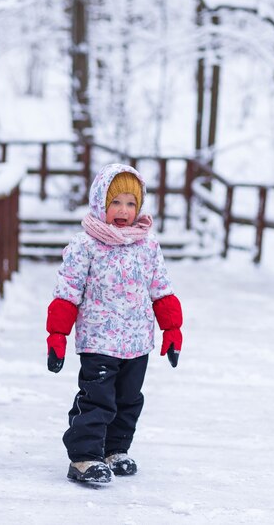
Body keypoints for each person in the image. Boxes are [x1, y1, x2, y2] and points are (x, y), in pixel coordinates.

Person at [46, 163, 183, 484]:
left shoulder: (147, 245)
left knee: (129, 399)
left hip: (137, 342)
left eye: (131, 203)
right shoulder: (86, 245)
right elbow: (67, 293)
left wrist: (172, 329)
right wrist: (57, 336)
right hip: (98, 340)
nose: (124, 210)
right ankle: (84, 457)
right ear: (100, 203)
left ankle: (114, 449)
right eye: (116, 203)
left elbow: (161, 289)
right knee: (97, 400)